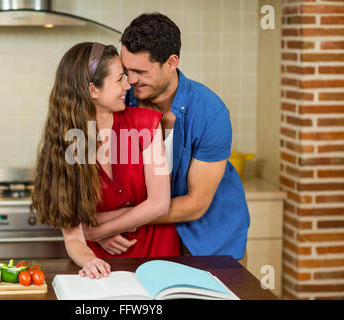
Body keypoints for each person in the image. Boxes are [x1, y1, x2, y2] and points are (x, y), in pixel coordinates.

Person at [87, 13, 250, 261]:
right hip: (148, 240)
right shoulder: (122, 100)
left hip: (211, 242)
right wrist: (97, 228)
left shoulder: (210, 112)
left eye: (140, 71)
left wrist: (106, 224)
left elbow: (195, 204)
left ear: (171, 62)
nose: (130, 81)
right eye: (125, 70)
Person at [31, 42, 180, 279]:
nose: (128, 84)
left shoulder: (146, 124)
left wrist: (95, 230)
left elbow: (159, 204)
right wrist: (90, 261)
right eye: (119, 79)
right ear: (93, 90)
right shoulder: (69, 144)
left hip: (159, 258)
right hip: (106, 268)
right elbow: (73, 237)